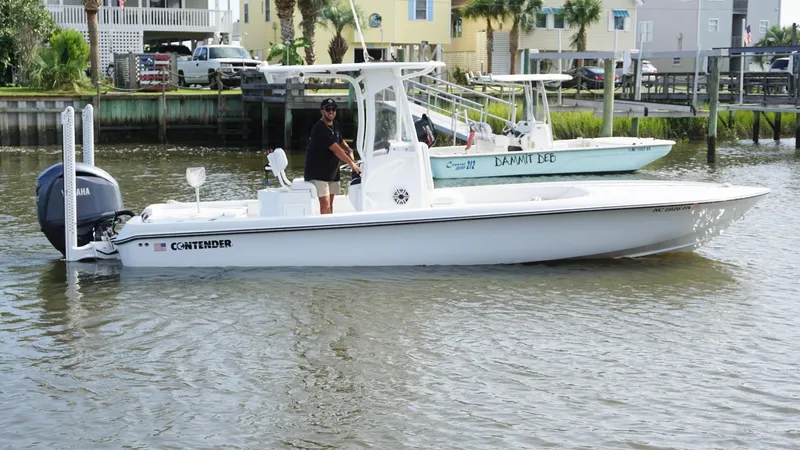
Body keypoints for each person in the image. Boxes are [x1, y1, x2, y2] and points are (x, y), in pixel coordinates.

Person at [304, 98, 361, 214]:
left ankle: (330, 225)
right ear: (322, 111)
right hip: (318, 173)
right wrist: (352, 164)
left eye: (333, 109)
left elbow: (339, 140)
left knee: (331, 203)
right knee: (325, 204)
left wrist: (349, 149)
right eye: (328, 109)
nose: (331, 111)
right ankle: (324, 229)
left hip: (332, 172)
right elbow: (337, 150)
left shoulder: (335, 124)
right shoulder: (319, 129)